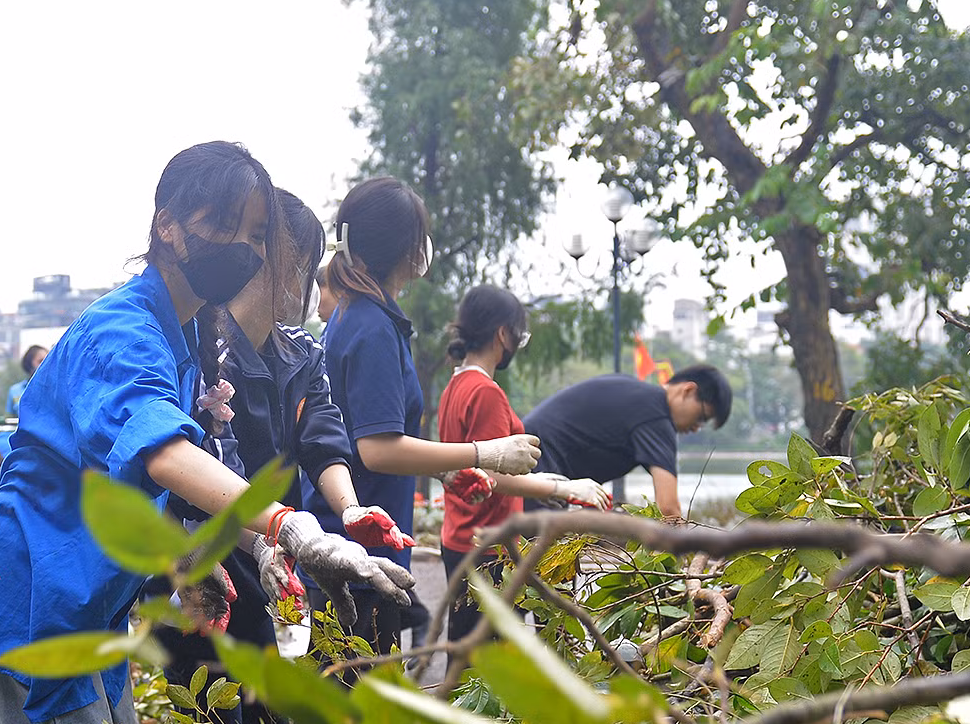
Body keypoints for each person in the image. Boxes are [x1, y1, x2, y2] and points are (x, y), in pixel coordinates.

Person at [0, 143, 414, 724]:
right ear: (168, 226)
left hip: (91, 610)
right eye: (225, 225)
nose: (244, 249)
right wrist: (285, 525)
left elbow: (131, 480)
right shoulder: (124, 331)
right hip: (41, 608)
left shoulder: (184, 337)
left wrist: (200, 559)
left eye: (256, 234)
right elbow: (163, 453)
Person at [162, 189, 407, 724]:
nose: (311, 286)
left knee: (274, 721)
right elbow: (190, 480)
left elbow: (323, 437)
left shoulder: (300, 351)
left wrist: (348, 509)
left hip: (277, 550)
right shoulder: (200, 355)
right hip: (204, 565)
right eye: (304, 268)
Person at [303, 176, 542, 653]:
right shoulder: (372, 325)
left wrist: (447, 467)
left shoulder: (360, 315)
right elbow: (376, 449)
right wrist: (487, 452)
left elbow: (362, 435)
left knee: (344, 712)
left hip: (353, 551)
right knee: (364, 716)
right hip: (363, 561)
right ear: (408, 248)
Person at [435, 285, 607, 641]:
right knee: (489, 666)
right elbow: (495, 476)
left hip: (459, 538)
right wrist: (563, 488)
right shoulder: (485, 392)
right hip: (489, 548)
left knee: (468, 654)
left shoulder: (455, 386)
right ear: (503, 333)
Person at [522, 366, 733, 519]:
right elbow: (669, 511)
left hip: (526, 459)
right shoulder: (656, 415)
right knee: (526, 566)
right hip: (537, 467)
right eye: (702, 417)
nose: (696, 427)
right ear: (688, 391)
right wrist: (681, 566)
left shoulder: (638, 395)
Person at [6, 345, 48, 418]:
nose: (45, 365)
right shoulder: (15, 390)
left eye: (47, 360)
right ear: (29, 364)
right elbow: (9, 420)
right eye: (40, 361)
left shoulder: (55, 391)